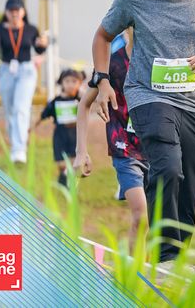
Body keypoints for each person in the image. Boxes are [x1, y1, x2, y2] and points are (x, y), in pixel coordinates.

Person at [91, 0, 195, 262]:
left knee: (191, 183)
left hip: (192, 100)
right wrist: (102, 80)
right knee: (168, 168)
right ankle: (165, 255)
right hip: (147, 95)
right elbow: (102, 36)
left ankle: (179, 254)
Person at [76, 29, 148, 251]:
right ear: (125, 27)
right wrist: (81, 152)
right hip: (124, 149)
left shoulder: (158, 59)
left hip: (157, 148)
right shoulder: (111, 64)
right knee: (141, 216)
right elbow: (84, 105)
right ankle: (135, 271)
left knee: (157, 222)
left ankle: (147, 268)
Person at [0, 0, 48, 163]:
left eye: (17, 10)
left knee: (21, 108)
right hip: (6, 71)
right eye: (11, 10)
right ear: (6, 13)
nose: (14, 14)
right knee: (10, 110)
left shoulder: (31, 29)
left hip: (26, 71)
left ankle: (19, 151)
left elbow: (39, 48)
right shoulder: (0, 29)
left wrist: (42, 44)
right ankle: (15, 143)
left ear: (23, 12)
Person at [33, 68, 84, 186]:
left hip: (76, 136)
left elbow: (93, 106)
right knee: (61, 163)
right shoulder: (55, 101)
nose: (70, 85)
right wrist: (32, 127)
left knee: (74, 161)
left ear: (79, 83)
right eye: (67, 81)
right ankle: (63, 177)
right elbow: (43, 115)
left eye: (74, 81)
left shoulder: (81, 101)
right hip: (60, 136)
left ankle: (70, 183)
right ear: (61, 83)